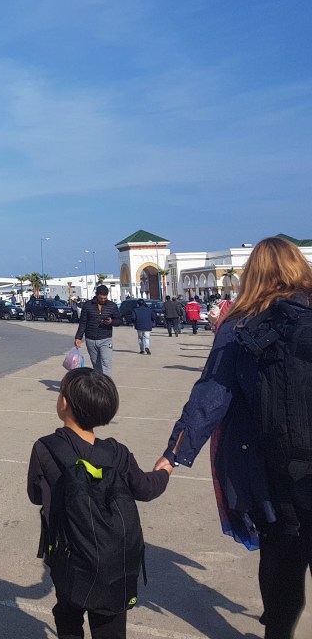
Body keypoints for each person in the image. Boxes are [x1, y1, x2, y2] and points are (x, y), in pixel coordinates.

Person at [155, 237, 312, 639]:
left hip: (274, 471)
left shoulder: (240, 324)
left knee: (282, 563)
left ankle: (278, 632)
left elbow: (212, 395)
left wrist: (174, 454)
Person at [29, 368, 171, 639]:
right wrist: (165, 471)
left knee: (68, 614)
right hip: (113, 559)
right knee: (110, 626)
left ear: (63, 404)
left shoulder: (45, 447)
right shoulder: (118, 453)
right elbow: (146, 489)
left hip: (67, 555)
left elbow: (35, 495)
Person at [75, 285, 122, 376]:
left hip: (106, 339)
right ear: (96, 295)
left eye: (105, 298)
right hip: (90, 339)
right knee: (96, 365)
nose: (103, 300)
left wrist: (112, 321)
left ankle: (107, 386)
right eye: (101, 298)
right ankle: (99, 385)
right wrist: (78, 338)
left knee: (106, 363)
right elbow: (83, 323)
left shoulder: (112, 306)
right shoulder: (87, 305)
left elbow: (119, 321)